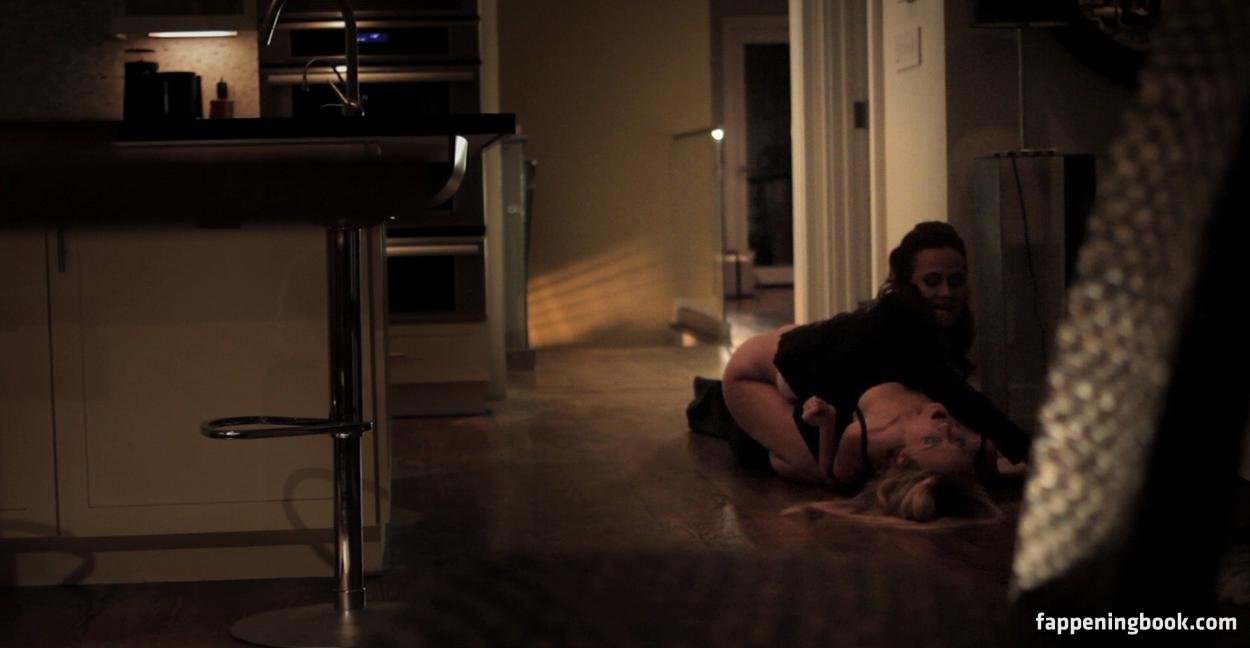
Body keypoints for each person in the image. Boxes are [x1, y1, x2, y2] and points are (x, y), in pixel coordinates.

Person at [718, 221, 1030, 521]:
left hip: (815, 365)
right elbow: (961, 396)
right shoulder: (896, 327)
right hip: (753, 371)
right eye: (932, 281)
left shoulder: (936, 329)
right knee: (809, 467)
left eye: (956, 280)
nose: (946, 291)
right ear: (906, 284)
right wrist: (1027, 450)